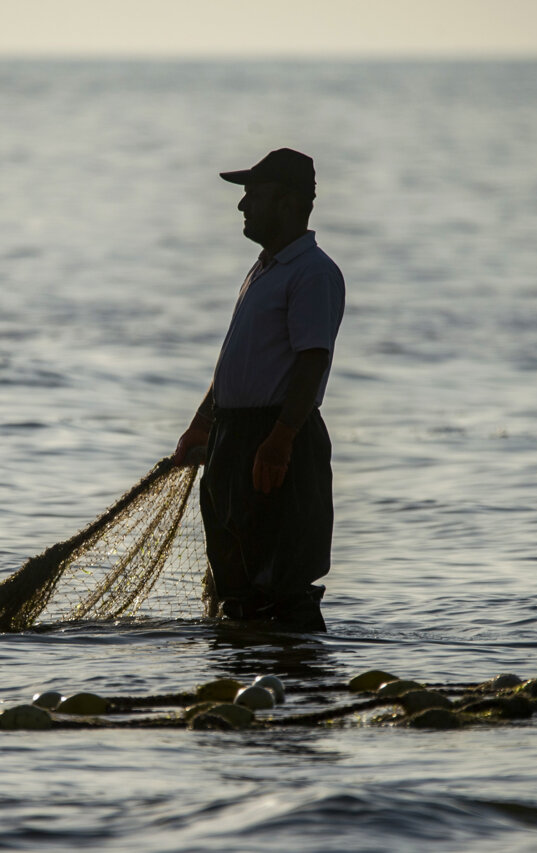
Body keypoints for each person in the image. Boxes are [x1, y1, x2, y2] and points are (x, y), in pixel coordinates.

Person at [173, 148, 345, 632]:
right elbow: (236, 360)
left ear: (289, 202)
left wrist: (281, 439)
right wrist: (203, 422)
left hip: (277, 439)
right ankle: (240, 679)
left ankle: (296, 693)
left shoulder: (312, 272)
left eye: (254, 194)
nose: (242, 205)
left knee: (282, 581)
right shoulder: (265, 268)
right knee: (235, 581)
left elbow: (314, 360)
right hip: (235, 436)